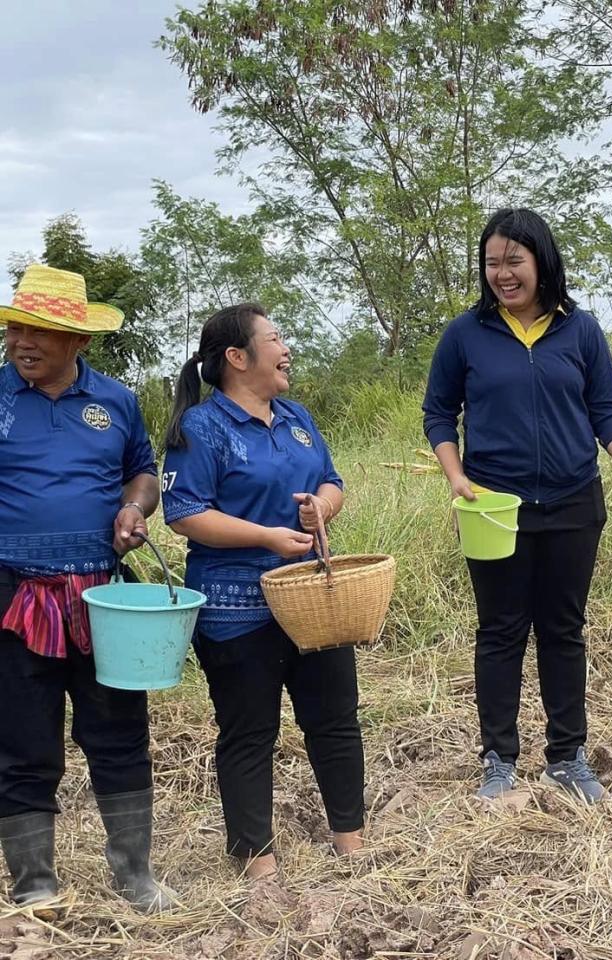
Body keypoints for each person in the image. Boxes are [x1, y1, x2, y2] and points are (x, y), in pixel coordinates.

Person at [424, 207, 612, 803]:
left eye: (514, 261)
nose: (502, 274)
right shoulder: (465, 334)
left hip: (572, 501)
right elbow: (438, 412)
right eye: (491, 263)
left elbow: (606, 410)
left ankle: (567, 755)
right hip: (494, 508)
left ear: (541, 262)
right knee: (501, 632)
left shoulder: (579, 330)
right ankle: (499, 760)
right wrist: (456, 475)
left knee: (563, 630)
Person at [161, 304, 364, 879]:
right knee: (250, 730)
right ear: (237, 357)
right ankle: (257, 859)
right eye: (275, 337)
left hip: (312, 596)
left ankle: (351, 839)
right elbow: (186, 513)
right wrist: (266, 538)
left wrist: (320, 507)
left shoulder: (295, 415)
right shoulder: (203, 428)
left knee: (335, 719)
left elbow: (332, 479)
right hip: (235, 607)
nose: (286, 347)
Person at [0, 265, 172, 913]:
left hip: (102, 598)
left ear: (80, 342)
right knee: (22, 743)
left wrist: (136, 507)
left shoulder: (117, 404)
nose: (23, 341)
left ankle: (136, 877)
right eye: (17, 326)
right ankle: (34, 884)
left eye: (40, 330)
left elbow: (144, 473)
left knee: (118, 735)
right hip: (12, 595)